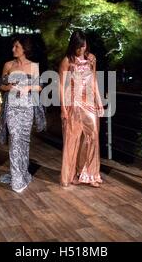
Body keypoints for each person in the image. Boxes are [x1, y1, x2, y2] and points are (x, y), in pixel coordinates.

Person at [0, 35, 44, 193]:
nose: (13, 49)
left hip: (27, 108)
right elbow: (1, 86)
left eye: (16, 47)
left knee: (24, 142)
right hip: (12, 108)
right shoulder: (8, 65)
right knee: (15, 139)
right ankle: (17, 180)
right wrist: (8, 87)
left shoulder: (34, 66)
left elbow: (39, 87)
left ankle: (22, 172)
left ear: (25, 48)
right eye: (13, 46)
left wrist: (29, 88)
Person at [59, 30, 104, 188]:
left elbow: (94, 81)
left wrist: (99, 101)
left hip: (90, 103)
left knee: (93, 137)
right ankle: (71, 175)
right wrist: (63, 108)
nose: (81, 49)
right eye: (78, 47)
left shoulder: (91, 59)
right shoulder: (67, 61)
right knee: (73, 140)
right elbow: (61, 85)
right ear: (73, 46)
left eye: (83, 46)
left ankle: (91, 174)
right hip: (73, 104)